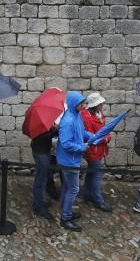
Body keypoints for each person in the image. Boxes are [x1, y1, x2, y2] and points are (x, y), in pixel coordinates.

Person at [57, 91, 98, 232]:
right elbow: (66, 143)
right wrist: (82, 147)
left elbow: (81, 132)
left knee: (68, 187)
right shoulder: (68, 121)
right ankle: (66, 218)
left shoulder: (77, 116)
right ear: (74, 104)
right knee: (74, 189)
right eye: (81, 103)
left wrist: (91, 136)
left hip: (71, 159)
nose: (84, 105)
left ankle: (65, 210)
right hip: (69, 161)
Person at [81, 92, 112, 211]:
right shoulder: (86, 117)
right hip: (93, 150)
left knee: (91, 172)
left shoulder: (99, 113)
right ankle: (98, 200)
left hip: (100, 148)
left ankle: (88, 194)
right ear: (95, 105)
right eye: (100, 103)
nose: (102, 105)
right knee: (97, 175)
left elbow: (104, 129)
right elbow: (91, 137)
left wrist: (107, 136)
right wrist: (105, 138)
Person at [30, 126, 60, 219]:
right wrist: (55, 131)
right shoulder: (39, 125)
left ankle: (40, 202)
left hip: (42, 151)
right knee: (41, 180)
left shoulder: (43, 122)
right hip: (41, 152)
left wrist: (53, 130)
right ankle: (38, 207)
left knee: (42, 178)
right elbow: (44, 137)